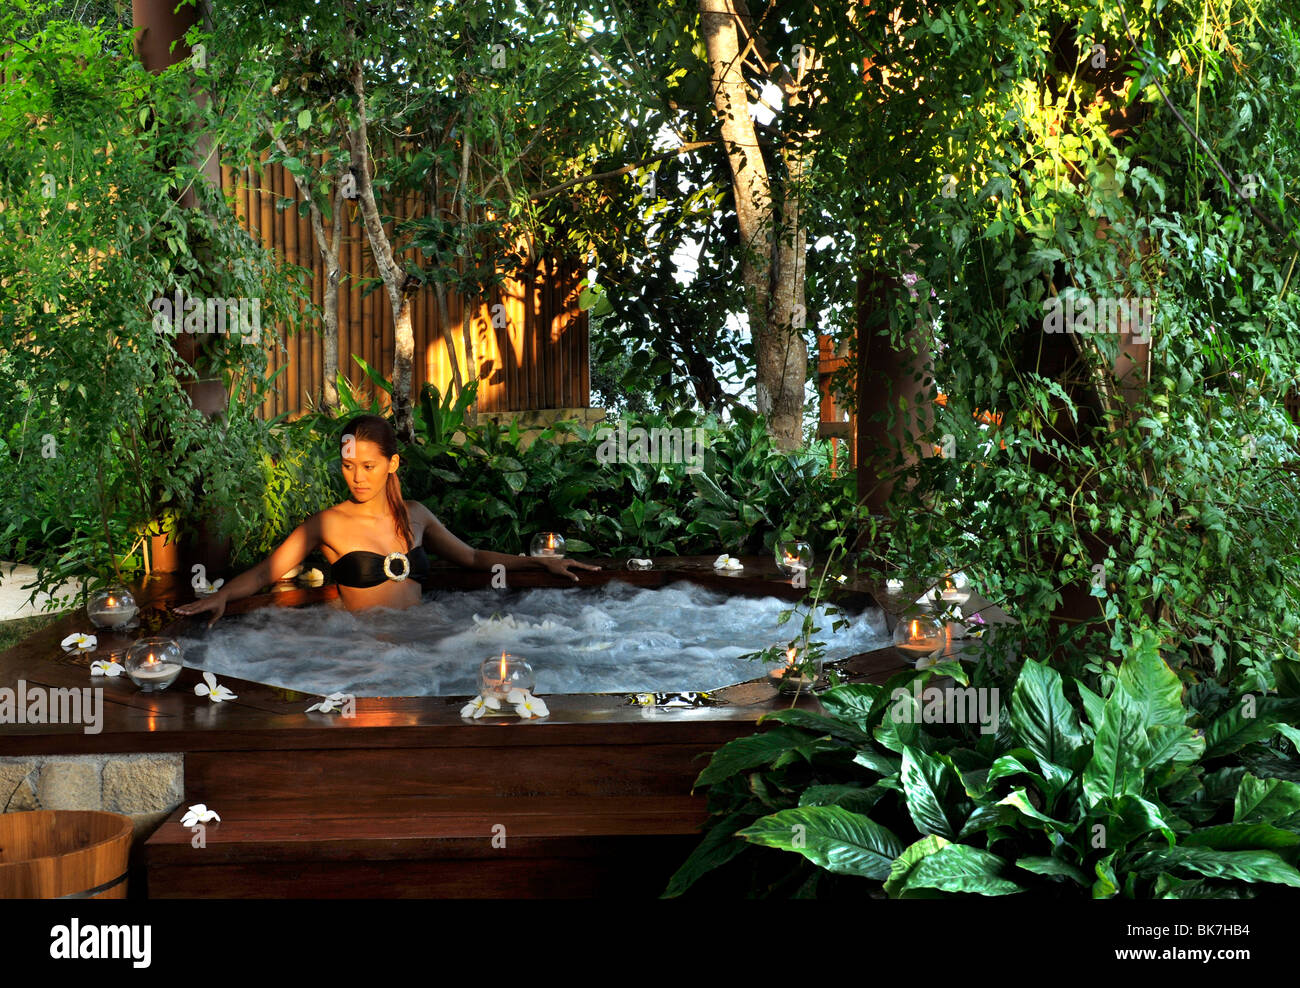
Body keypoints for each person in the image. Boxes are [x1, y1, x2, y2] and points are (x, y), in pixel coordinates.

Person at [173, 414, 599, 626]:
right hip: (362, 648)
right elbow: (268, 571)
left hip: (423, 636)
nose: (356, 477)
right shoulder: (328, 524)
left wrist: (539, 561)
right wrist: (224, 595)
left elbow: (470, 557)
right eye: (348, 466)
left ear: (392, 463)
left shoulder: (415, 516)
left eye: (368, 467)